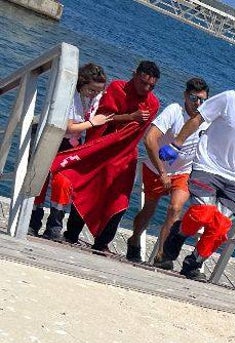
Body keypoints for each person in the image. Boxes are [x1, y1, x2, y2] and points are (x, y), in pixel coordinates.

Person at [153, 69, 235, 280]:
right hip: (207, 166)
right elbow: (198, 119)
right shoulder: (232, 99)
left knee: (221, 226)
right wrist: (176, 144)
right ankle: (178, 234)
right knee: (203, 213)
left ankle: (193, 263)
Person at [46, 61, 159, 250]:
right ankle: (71, 233)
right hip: (101, 148)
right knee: (87, 187)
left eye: (151, 86)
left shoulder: (153, 103)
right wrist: (130, 117)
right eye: (143, 83)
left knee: (119, 198)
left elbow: (136, 130)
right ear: (134, 74)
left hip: (125, 154)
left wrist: (131, 120)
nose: (146, 88)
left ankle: (102, 242)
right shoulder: (117, 88)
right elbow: (102, 118)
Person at [127, 77, 210, 263]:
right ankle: (134, 241)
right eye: (193, 98)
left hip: (183, 172)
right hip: (156, 169)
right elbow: (150, 139)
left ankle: (162, 256)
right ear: (185, 96)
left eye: (202, 100)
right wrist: (162, 171)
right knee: (149, 210)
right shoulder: (174, 111)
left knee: (175, 208)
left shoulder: (206, 121)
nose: (197, 104)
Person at [27, 62, 108, 238]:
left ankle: (54, 226)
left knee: (63, 182)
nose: (94, 94)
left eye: (98, 91)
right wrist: (93, 123)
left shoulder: (91, 98)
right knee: (39, 179)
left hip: (70, 144)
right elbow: (69, 126)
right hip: (53, 137)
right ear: (82, 83)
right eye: (92, 90)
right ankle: (31, 221)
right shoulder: (71, 97)